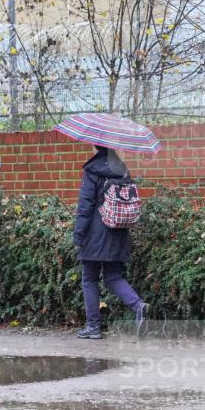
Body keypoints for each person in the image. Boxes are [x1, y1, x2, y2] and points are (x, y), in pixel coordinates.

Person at [72, 145, 149, 339]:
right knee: (113, 276)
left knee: (89, 278)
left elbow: (85, 205)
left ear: (95, 145)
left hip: (95, 233)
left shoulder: (93, 169)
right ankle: (138, 305)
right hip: (118, 232)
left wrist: (78, 234)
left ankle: (93, 326)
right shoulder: (122, 169)